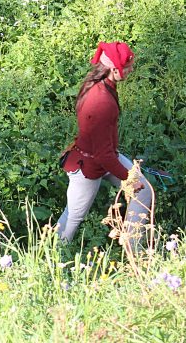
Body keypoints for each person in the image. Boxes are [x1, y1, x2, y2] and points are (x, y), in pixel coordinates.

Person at [56, 41, 154, 250]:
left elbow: (105, 151)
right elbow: (102, 155)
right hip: (89, 165)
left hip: (105, 156)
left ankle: (133, 250)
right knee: (73, 216)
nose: (131, 70)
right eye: (127, 67)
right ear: (114, 69)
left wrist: (131, 179)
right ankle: (51, 255)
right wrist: (127, 178)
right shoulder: (101, 102)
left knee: (144, 191)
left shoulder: (101, 85)